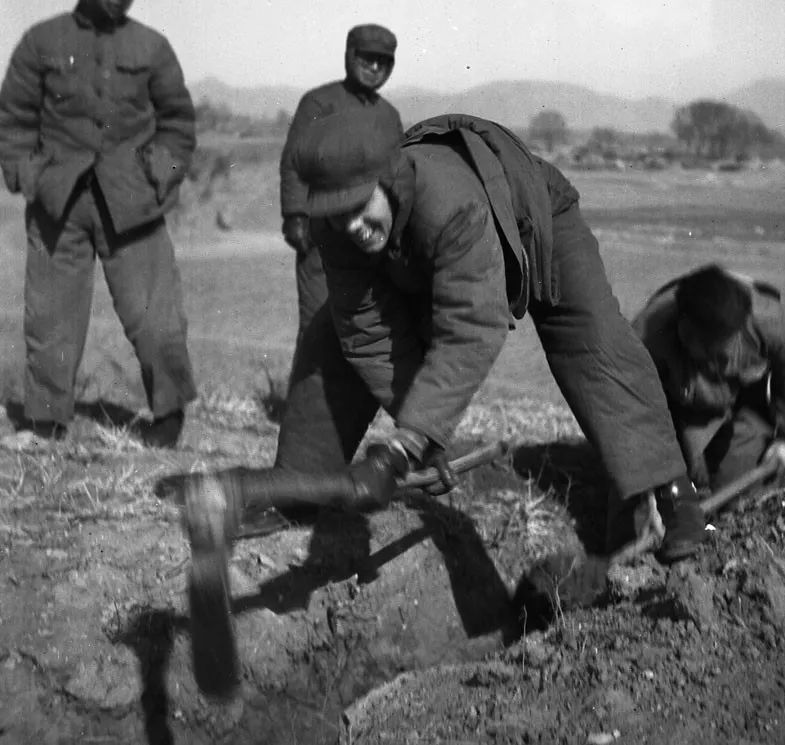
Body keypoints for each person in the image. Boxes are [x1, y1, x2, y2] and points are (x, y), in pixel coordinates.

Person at [183, 111, 705, 581]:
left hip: (531, 217)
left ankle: (672, 494)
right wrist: (421, 441)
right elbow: (367, 332)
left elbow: (471, 328)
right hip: (416, 250)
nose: (353, 228)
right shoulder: (338, 226)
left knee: (595, 343)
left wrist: (396, 451)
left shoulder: (451, 203)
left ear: (387, 181)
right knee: (330, 339)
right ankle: (297, 491)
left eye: (361, 210)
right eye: (338, 217)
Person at [0, 0, 197, 446]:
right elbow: (14, 121)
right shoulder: (40, 42)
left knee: (156, 316)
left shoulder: (151, 46)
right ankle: (45, 421)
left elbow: (178, 124)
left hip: (133, 203)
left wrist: (163, 174)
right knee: (51, 316)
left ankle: (170, 417)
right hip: (58, 204)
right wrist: (29, 176)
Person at [631, 263, 785, 493]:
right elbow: (631, 417)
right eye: (711, 353)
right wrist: (647, 488)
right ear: (685, 332)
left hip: (742, 397)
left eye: (725, 351)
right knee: (666, 490)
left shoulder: (769, 321)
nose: (722, 361)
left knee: (739, 484)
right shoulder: (647, 339)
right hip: (676, 402)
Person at [279, 24, 401, 344]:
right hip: (322, 232)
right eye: (367, 58)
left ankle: (356, 396)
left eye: (382, 61)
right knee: (317, 324)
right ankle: (309, 396)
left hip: (368, 235)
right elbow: (294, 162)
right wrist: (295, 216)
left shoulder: (389, 116)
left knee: (365, 327)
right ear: (349, 56)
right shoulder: (319, 103)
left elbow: (396, 176)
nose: (374, 67)